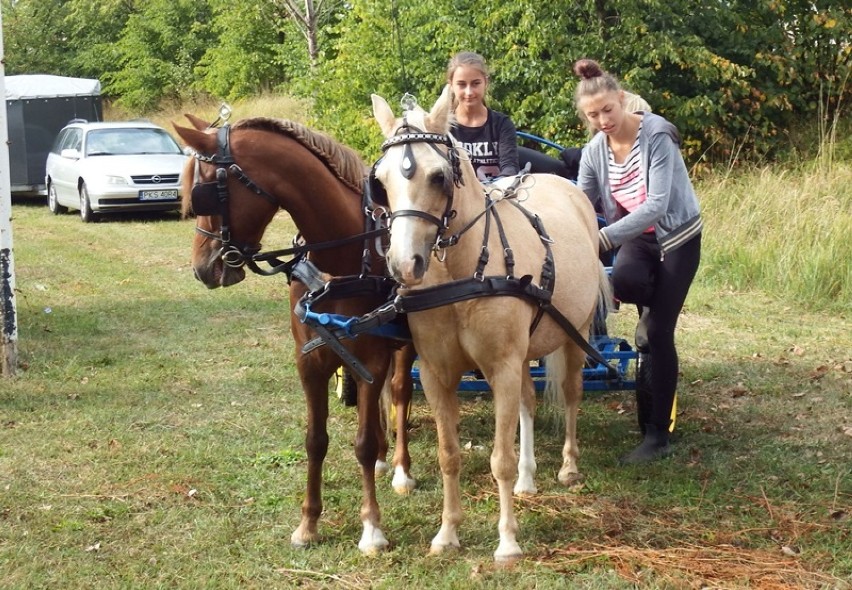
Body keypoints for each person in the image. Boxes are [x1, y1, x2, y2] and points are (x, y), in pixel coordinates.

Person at [573, 58, 703, 464]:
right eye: (593, 116)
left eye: (608, 110)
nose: (603, 120)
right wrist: (567, 231)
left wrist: (602, 238)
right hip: (638, 239)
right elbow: (582, 197)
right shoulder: (596, 149)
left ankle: (656, 436)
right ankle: (652, 306)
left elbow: (658, 204)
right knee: (625, 282)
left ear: (623, 101)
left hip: (677, 236)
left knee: (657, 335)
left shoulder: (657, 134)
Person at [446, 52, 519, 182]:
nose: (469, 92)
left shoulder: (502, 124)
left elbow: (509, 168)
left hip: (495, 197)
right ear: (451, 85)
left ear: (486, 82)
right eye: (462, 84)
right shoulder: (443, 127)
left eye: (475, 83)